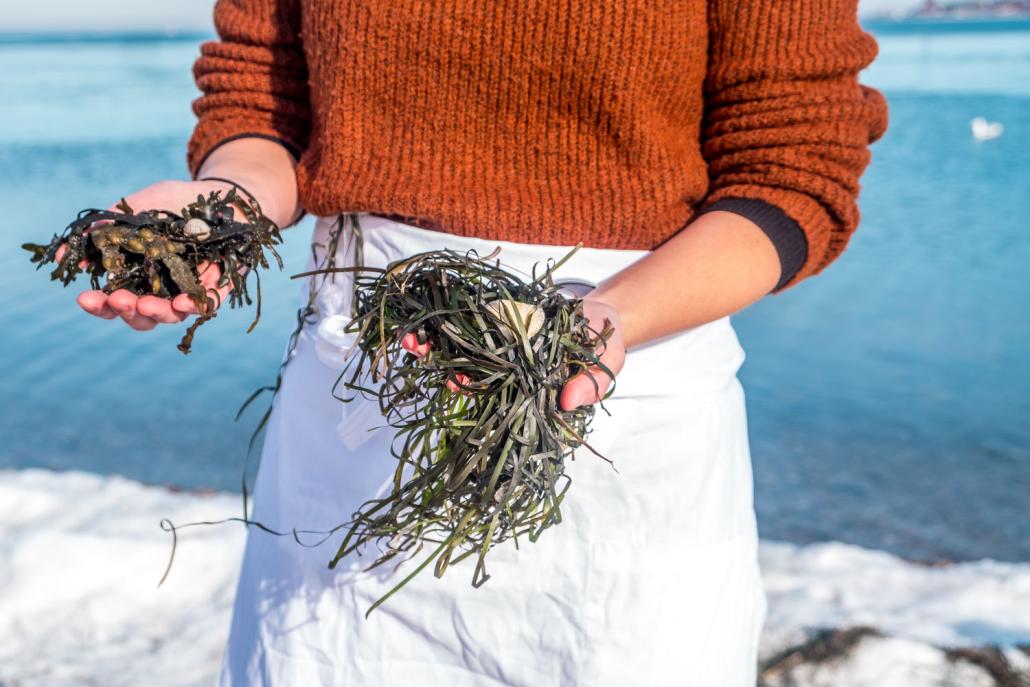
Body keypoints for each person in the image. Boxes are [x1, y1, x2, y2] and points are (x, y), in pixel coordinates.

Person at [74, 1, 888, 684]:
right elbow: (264, 105)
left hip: (626, 399)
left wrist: (608, 319)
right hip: (351, 411)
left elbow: (794, 168)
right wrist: (222, 213)